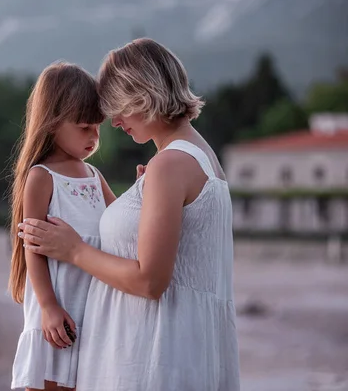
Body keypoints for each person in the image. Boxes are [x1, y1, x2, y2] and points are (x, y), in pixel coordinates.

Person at [18, 39, 241, 391]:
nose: (117, 123)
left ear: (143, 95)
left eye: (118, 108)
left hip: (154, 355)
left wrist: (74, 250)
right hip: (176, 349)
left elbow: (149, 281)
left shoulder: (170, 164)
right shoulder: (199, 157)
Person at [8, 61, 115, 391]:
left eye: (98, 127)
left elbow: (122, 218)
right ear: (53, 122)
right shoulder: (42, 177)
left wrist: (144, 190)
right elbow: (33, 249)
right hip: (56, 312)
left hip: (93, 315)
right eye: (85, 127)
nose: (94, 137)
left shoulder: (95, 177)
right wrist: (49, 307)